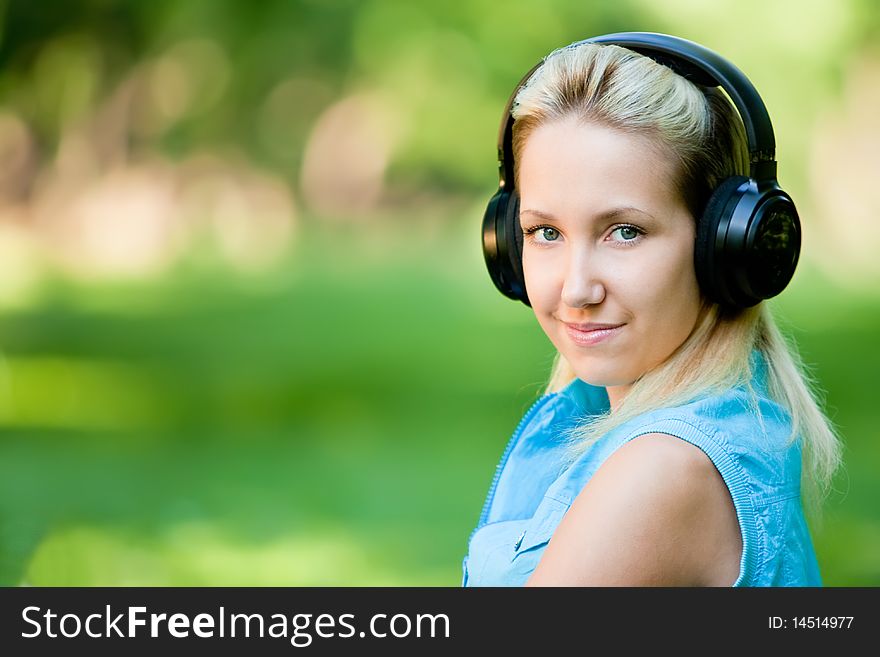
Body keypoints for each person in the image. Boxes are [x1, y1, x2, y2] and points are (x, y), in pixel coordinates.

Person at [464, 33, 842, 586]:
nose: (576, 289)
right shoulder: (697, 416)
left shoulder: (662, 470)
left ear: (723, 245)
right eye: (545, 231)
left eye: (624, 231)